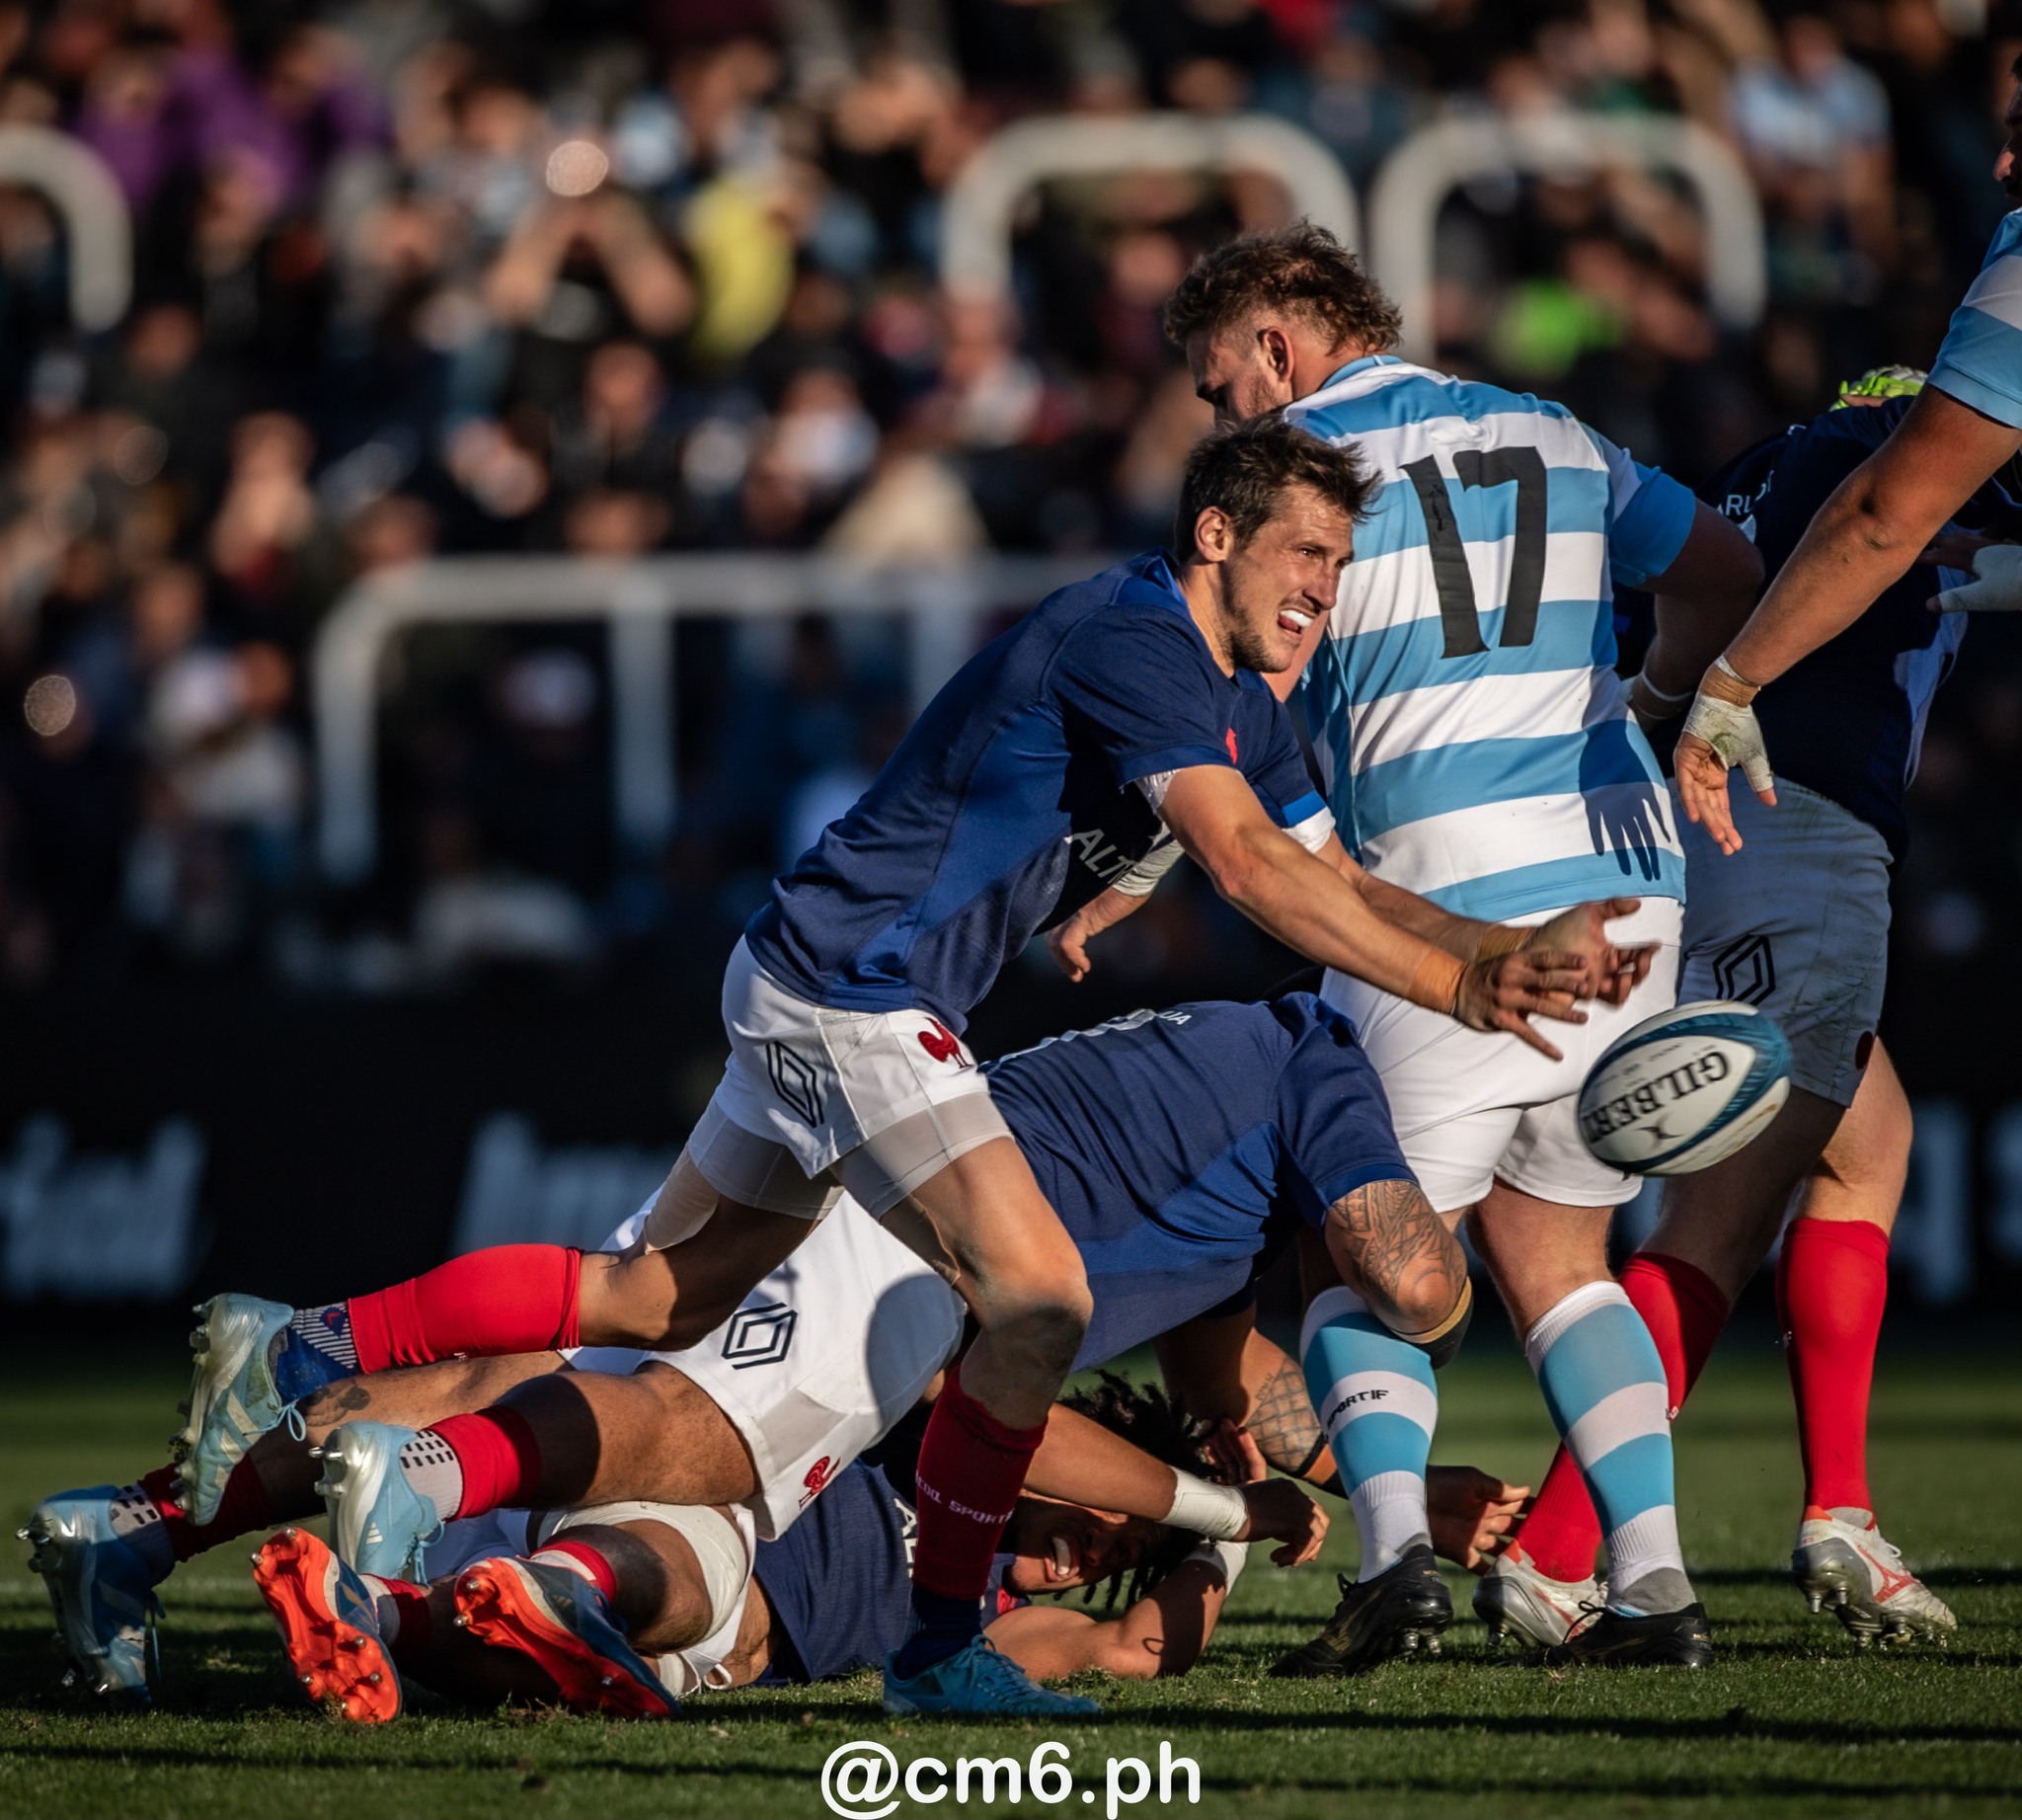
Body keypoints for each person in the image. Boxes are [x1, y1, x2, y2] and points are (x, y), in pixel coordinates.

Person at [173, 420, 1648, 1715]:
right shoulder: (1137, 633)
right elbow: (1255, 868)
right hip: (856, 990)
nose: (1327, 586)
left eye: (1340, 562)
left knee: (655, 1296)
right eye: (1307, 551)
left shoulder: (1247, 704)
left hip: (821, 970)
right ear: (1216, 535)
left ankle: (306, 1360)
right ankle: (940, 1639)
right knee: (1039, 1297)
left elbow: (1334, 872)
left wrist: (1502, 940)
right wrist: (1466, 978)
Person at [43, 991, 1491, 1703]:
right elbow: (1412, 1283)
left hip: (884, 1135)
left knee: (594, 1345)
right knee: (694, 1468)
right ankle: (393, 1452)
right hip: (915, 1225)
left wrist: (1394, 1502)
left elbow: (1245, 1404)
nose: (1069, 1553)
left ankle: (158, 1516)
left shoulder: (1228, 1138)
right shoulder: (1333, 1073)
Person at [1100, 222, 1764, 1669]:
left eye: (1221, 388)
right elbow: (1721, 574)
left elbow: (1223, 689)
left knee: (1367, 1253)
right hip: (1631, 875)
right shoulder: (1558, 429)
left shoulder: (1294, 478)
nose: (1220, 421)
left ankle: (1393, 1564)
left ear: (1278, 347)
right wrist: (1651, 702)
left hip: (1440, 898)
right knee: (1559, 1243)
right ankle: (1653, 1587)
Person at [1485, 366, 1993, 1650]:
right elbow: (1903, 520)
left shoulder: (1770, 463)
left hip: (1683, 823)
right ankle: (1557, 1552)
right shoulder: (1912, 457)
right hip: (1796, 813)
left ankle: (1840, 1507)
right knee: (1723, 1204)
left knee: (1865, 1139)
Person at [249, 1379, 1522, 1722]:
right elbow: (1033, 1431)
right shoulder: (925, 1439)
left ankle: (398, 1626)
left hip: (691, 1631)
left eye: (1103, 1557)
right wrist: (1210, 1494)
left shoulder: (975, 1631)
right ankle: (523, 1595)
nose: (1079, 1559)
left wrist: (1247, 1521)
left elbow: (1141, 1644)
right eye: (1086, 1524)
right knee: (691, 1552)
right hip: (691, 1509)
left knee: (591, 1642)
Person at [1673, 58, 2022, 853]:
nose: (2003, 167)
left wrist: (1730, 684)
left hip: (1801, 819)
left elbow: (1879, 517)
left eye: (2021, 133)